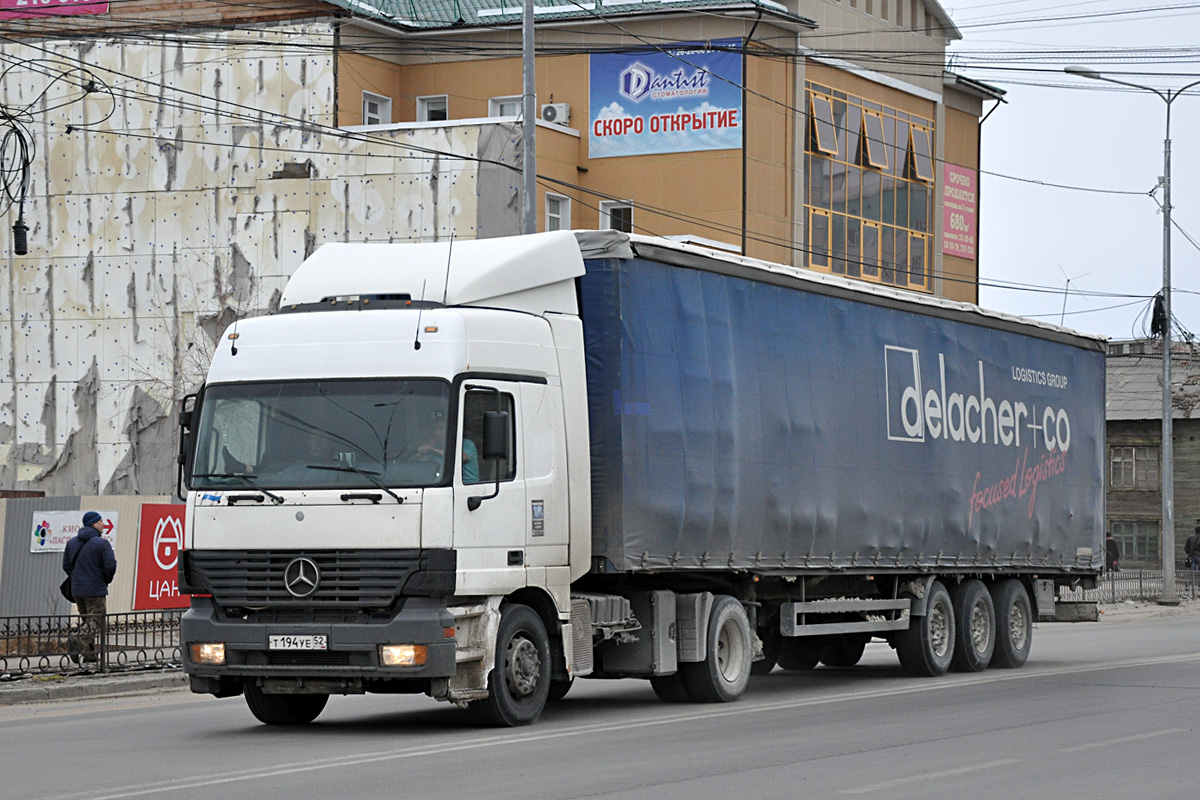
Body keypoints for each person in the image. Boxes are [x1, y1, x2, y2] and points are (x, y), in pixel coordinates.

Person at [63, 511, 117, 667]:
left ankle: (90, 656)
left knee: (87, 620)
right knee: (96, 620)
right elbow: (110, 566)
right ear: (94, 524)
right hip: (95, 589)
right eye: (101, 522)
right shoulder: (102, 544)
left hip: (77, 590)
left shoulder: (72, 543)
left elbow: (66, 566)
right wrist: (105, 580)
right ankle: (77, 640)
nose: (103, 525)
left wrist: (79, 579)